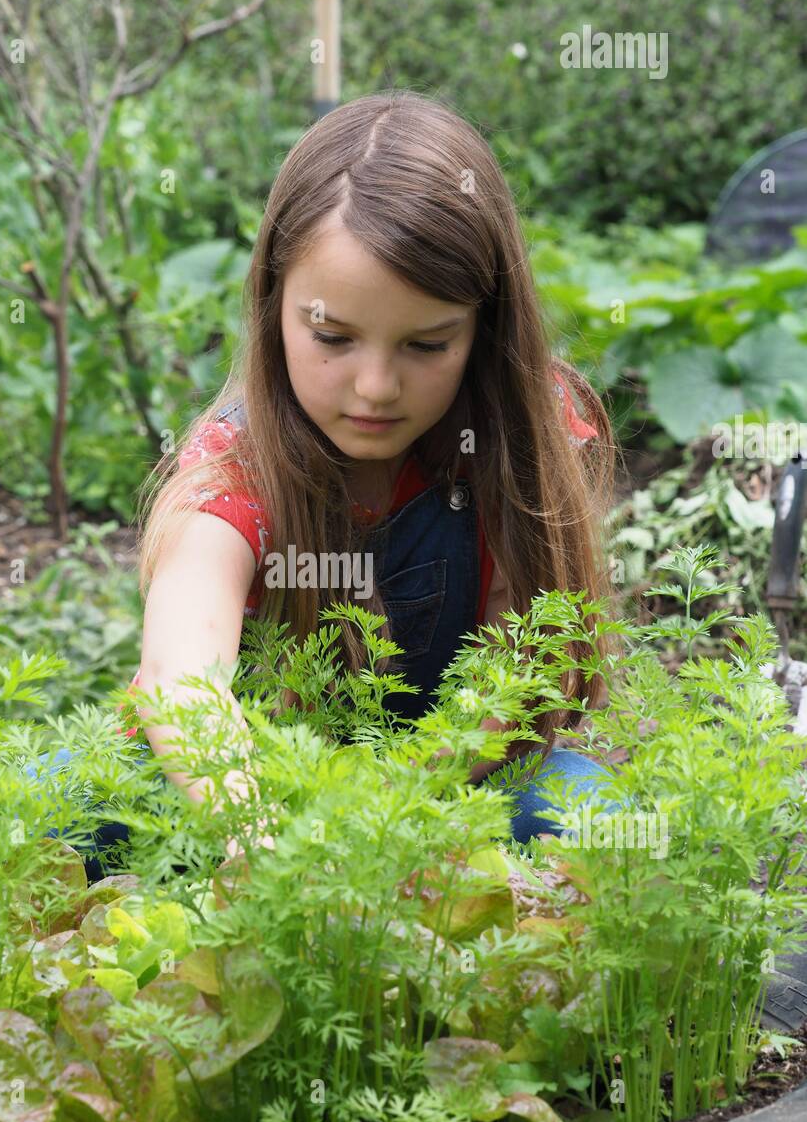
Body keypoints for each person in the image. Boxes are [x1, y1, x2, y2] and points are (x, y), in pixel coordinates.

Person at [59, 91, 626, 880]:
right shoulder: (236, 461)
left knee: (598, 818)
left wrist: (384, 817)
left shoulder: (512, 437)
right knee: (47, 808)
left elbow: (523, 671)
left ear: (484, 328)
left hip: (439, 793)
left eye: (427, 343)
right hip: (226, 798)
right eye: (331, 336)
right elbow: (180, 674)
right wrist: (260, 837)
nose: (374, 387)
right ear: (272, 304)